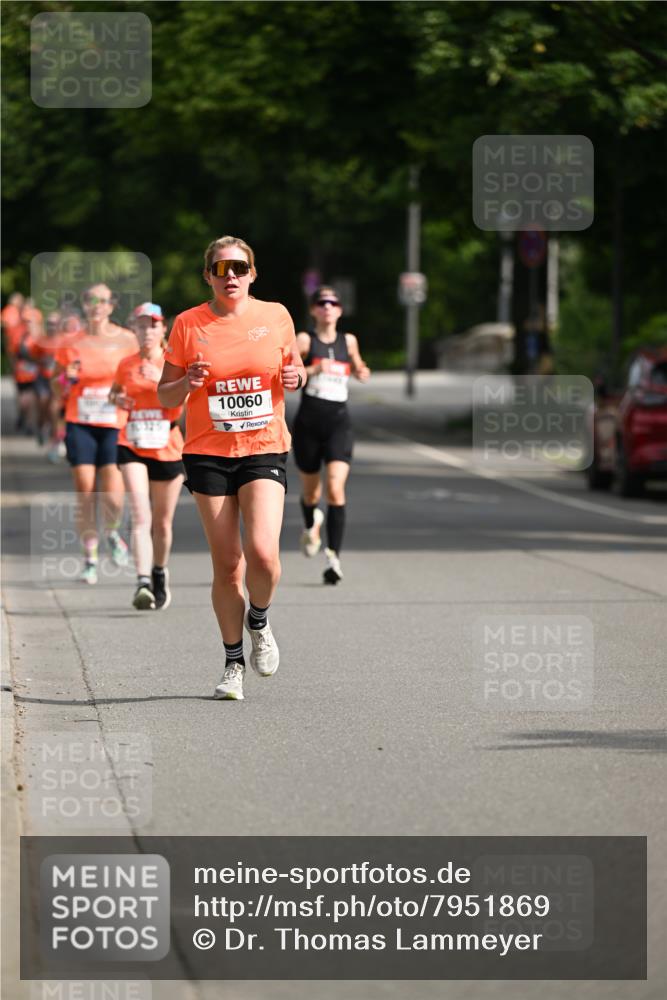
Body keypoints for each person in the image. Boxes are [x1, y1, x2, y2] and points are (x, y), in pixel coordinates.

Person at [158, 236, 306, 701]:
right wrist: (187, 381)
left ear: (253, 274)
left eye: (239, 268)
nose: (231, 276)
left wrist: (295, 377)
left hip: (263, 446)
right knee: (227, 566)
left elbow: (296, 369)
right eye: (221, 269)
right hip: (207, 452)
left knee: (263, 555)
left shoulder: (276, 315)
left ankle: (258, 620)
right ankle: (232, 663)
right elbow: (164, 395)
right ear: (208, 276)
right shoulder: (188, 324)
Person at [53, 283, 137, 584]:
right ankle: (89, 557)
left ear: (111, 306)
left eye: (102, 300)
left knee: (113, 494)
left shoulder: (127, 340)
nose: (96, 305)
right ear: (85, 305)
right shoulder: (70, 342)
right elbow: (55, 385)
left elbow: (140, 374)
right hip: (80, 421)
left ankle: (113, 532)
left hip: (115, 423)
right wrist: (66, 378)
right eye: (90, 299)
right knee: (85, 490)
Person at [292, 286, 370, 584]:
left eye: (333, 302)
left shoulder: (348, 340)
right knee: (311, 492)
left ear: (339, 309)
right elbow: (291, 372)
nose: (327, 306)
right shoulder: (304, 339)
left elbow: (358, 364)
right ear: (314, 310)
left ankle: (333, 558)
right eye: (321, 302)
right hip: (309, 425)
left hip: (339, 423)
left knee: (335, 489)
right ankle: (311, 522)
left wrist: (362, 371)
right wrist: (313, 369)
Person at [109, 302, 185, 610]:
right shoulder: (125, 363)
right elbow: (113, 393)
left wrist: (160, 379)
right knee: (141, 514)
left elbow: (184, 402)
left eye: (152, 325)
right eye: (140, 325)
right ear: (134, 330)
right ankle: (142, 582)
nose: (146, 331)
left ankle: (158, 571)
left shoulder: (174, 361)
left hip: (167, 444)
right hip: (133, 442)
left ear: (163, 328)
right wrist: (118, 398)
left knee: (162, 523)